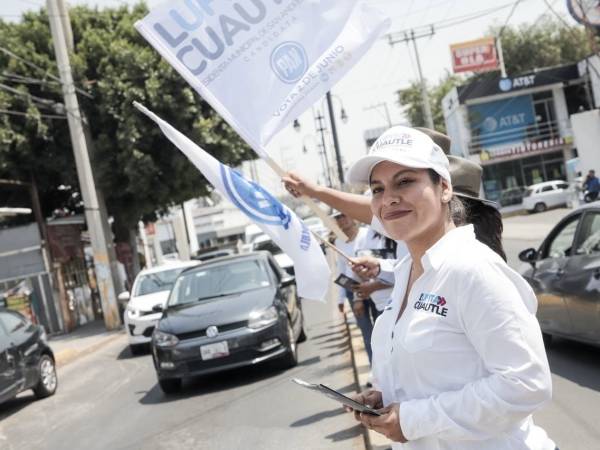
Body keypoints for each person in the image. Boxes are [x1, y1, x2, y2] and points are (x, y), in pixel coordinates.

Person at [341, 126, 554, 449]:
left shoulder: (473, 269)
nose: (389, 198)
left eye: (405, 181)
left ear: (443, 187)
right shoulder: (407, 273)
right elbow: (440, 371)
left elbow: (526, 384)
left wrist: (414, 419)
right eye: (377, 189)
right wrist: (387, 397)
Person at [331, 212, 377, 364]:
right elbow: (343, 272)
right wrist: (342, 298)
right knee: (367, 333)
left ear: (352, 217)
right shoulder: (339, 242)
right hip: (354, 290)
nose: (341, 220)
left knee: (381, 331)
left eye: (343, 215)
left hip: (376, 287)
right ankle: (376, 372)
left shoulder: (367, 235)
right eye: (337, 218)